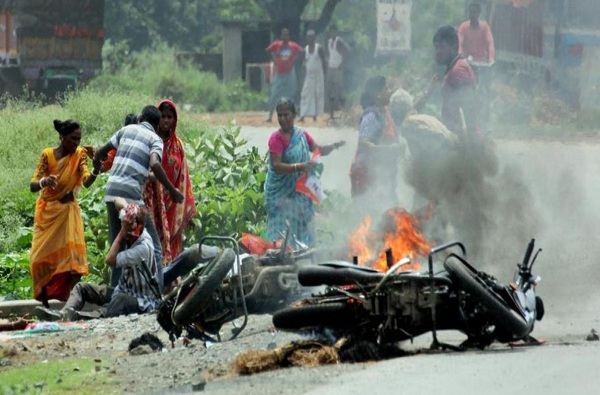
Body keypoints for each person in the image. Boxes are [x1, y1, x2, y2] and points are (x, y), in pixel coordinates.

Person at [93, 105, 184, 290]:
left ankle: (114, 295)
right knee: (155, 247)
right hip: (132, 196)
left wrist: (95, 169)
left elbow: (99, 153)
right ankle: (157, 295)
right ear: (157, 124)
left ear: (141, 117)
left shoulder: (125, 130)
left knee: (117, 244)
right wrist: (173, 191)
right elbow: (156, 165)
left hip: (111, 192)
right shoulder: (155, 139)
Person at [41, 199, 161, 320]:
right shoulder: (135, 226)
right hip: (121, 291)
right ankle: (64, 313)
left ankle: (78, 317)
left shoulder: (143, 248)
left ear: (134, 229)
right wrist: (127, 210)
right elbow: (116, 200)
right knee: (81, 287)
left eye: (127, 228)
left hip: (141, 300)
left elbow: (110, 260)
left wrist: (122, 232)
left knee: (119, 301)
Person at [29, 119, 100, 307]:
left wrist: (96, 169)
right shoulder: (47, 155)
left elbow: (85, 180)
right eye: (73, 138)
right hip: (48, 215)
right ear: (62, 137)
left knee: (74, 263)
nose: (77, 143)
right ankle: (44, 302)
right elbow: (32, 185)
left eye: (79, 139)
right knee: (40, 260)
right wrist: (44, 182)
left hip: (69, 214)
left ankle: (69, 302)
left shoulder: (79, 155)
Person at [265, 98, 345, 246]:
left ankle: (303, 258)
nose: (282, 119)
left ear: (294, 115)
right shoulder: (276, 139)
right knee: (281, 234)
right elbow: (276, 166)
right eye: (280, 115)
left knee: (302, 229)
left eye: (286, 115)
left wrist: (334, 146)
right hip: (281, 195)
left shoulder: (301, 136)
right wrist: (300, 166)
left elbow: (317, 150)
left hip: (299, 194)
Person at [349, 76, 404, 210]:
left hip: (379, 174)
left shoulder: (384, 112)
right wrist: (390, 150)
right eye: (387, 88)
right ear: (378, 94)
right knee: (370, 215)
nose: (390, 91)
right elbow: (364, 143)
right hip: (366, 174)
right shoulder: (372, 115)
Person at [415, 26, 478, 140]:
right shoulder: (453, 69)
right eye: (436, 47)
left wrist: (468, 142)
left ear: (454, 47)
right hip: (456, 137)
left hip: (462, 140)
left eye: (442, 47)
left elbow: (469, 109)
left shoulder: (458, 70)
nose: (437, 52)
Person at [153, 100, 197, 264]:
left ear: (174, 119)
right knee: (155, 245)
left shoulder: (178, 146)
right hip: (154, 202)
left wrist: (187, 212)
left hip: (173, 205)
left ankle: (172, 283)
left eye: (169, 117)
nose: (166, 120)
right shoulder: (152, 142)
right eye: (163, 116)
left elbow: (184, 178)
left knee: (172, 244)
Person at [458, 2, 495, 125]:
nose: (472, 15)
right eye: (471, 12)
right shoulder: (464, 27)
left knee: (485, 90)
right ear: (468, 14)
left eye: (475, 12)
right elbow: (460, 42)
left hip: (483, 64)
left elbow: (490, 42)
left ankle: (486, 116)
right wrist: (460, 55)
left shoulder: (484, 27)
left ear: (478, 14)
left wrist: (491, 58)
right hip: (469, 63)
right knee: (465, 88)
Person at [266, 28, 304, 123]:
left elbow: (301, 51)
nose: (285, 37)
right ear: (281, 36)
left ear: (289, 36)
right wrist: (274, 59)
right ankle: (270, 116)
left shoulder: (292, 45)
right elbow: (268, 50)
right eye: (284, 35)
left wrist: (294, 59)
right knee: (274, 94)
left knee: (291, 93)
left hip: (290, 72)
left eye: (287, 35)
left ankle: (292, 116)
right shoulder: (277, 44)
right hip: (279, 73)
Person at [299, 30, 326, 122]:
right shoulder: (304, 50)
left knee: (317, 94)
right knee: (305, 94)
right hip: (309, 76)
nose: (310, 38)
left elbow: (324, 62)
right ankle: (303, 115)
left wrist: (325, 75)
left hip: (319, 75)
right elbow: (302, 63)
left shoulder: (319, 49)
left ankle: (315, 115)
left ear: (314, 38)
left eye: (311, 37)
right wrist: (302, 74)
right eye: (308, 37)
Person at [326, 24, 351, 120]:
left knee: (340, 92)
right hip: (330, 68)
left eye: (333, 31)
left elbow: (348, 51)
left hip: (337, 69)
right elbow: (330, 54)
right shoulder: (329, 42)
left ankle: (344, 113)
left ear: (335, 31)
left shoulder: (338, 41)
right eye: (330, 31)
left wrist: (342, 63)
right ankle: (331, 115)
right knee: (330, 92)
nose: (331, 33)